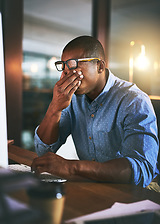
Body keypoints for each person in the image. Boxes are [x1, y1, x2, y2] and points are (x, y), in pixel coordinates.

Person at [31, 35, 159, 187]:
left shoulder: (134, 100)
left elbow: (141, 170)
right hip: (94, 186)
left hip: (136, 191)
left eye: (73, 65)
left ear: (100, 66)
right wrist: (55, 107)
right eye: (64, 66)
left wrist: (72, 167)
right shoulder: (72, 99)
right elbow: (44, 151)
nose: (66, 74)